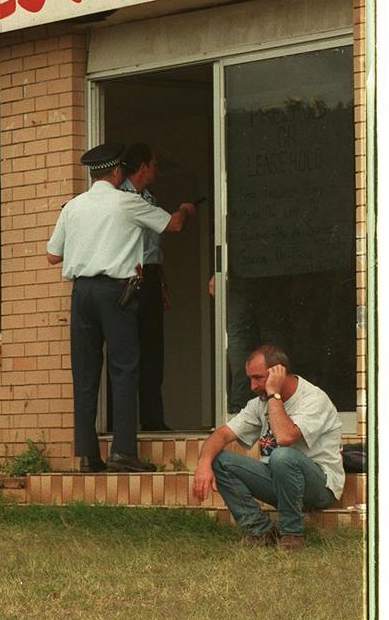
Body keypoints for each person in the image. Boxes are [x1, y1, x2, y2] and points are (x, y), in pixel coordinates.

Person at [46, 143, 196, 473]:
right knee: (124, 367)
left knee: (85, 374)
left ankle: (88, 455)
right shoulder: (128, 203)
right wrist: (186, 210)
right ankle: (123, 452)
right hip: (117, 292)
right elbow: (172, 225)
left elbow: (53, 255)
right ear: (117, 173)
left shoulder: (73, 206)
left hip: (81, 292)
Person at [191, 345, 343, 551]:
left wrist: (274, 395)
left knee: (282, 456)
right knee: (218, 459)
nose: (252, 386)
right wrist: (203, 463)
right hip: (279, 481)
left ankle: (291, 535)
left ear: (278, 373)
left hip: (320, 488)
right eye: (250, 379)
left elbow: (285, 437)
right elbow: (222, 434)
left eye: (258, 378)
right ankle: (260, 532)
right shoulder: (258, 403)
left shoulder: (313, 399)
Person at [119, 143, 170, 431]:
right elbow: (172, 225)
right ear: (142, 167)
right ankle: (119, 423)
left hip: (150, 275)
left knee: (153, 349)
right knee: (128, 350)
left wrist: (162, 285)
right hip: (127, 275)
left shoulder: (149, 199)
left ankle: (152, 419)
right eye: (154, 163)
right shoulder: (120, 198)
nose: (157, 169)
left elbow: (155, 249)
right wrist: (184, 213)